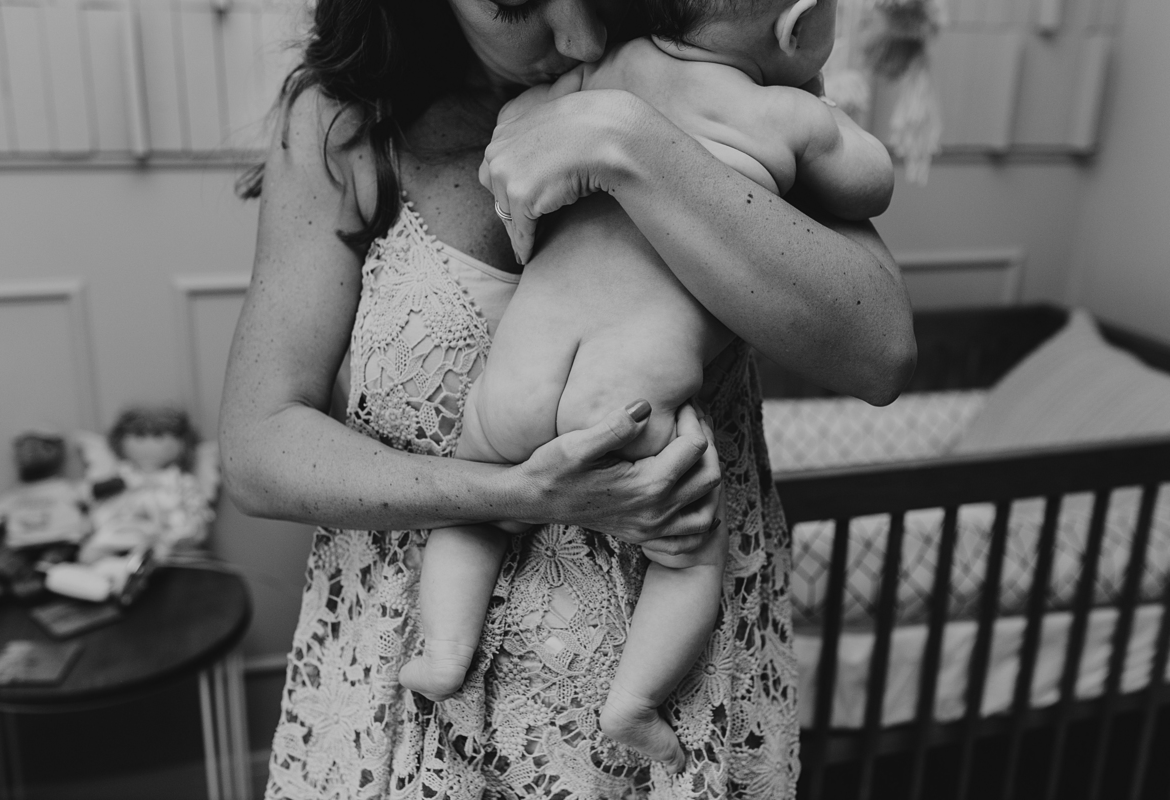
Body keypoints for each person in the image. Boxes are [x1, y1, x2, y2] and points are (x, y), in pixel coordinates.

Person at [219, 0, 915, 797]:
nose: (580, 37)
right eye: (518, 3)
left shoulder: (702, 45)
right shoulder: (346, 125)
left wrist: (628, 140)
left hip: (674, 725)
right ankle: (469, 656)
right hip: (410, 709)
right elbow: (258, 447)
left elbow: (882, 355)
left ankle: (500, 661)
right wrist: (518, 494)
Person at [399, 0, 895, 774]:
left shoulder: (593, 78)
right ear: (799, 26)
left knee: (475, 515)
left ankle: (442, 649)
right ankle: (633, 701)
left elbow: (515, 137)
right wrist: (822, 113)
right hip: (625, 404)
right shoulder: (780, 113)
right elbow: (870, 184)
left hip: (516, 381)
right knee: (690, 558)